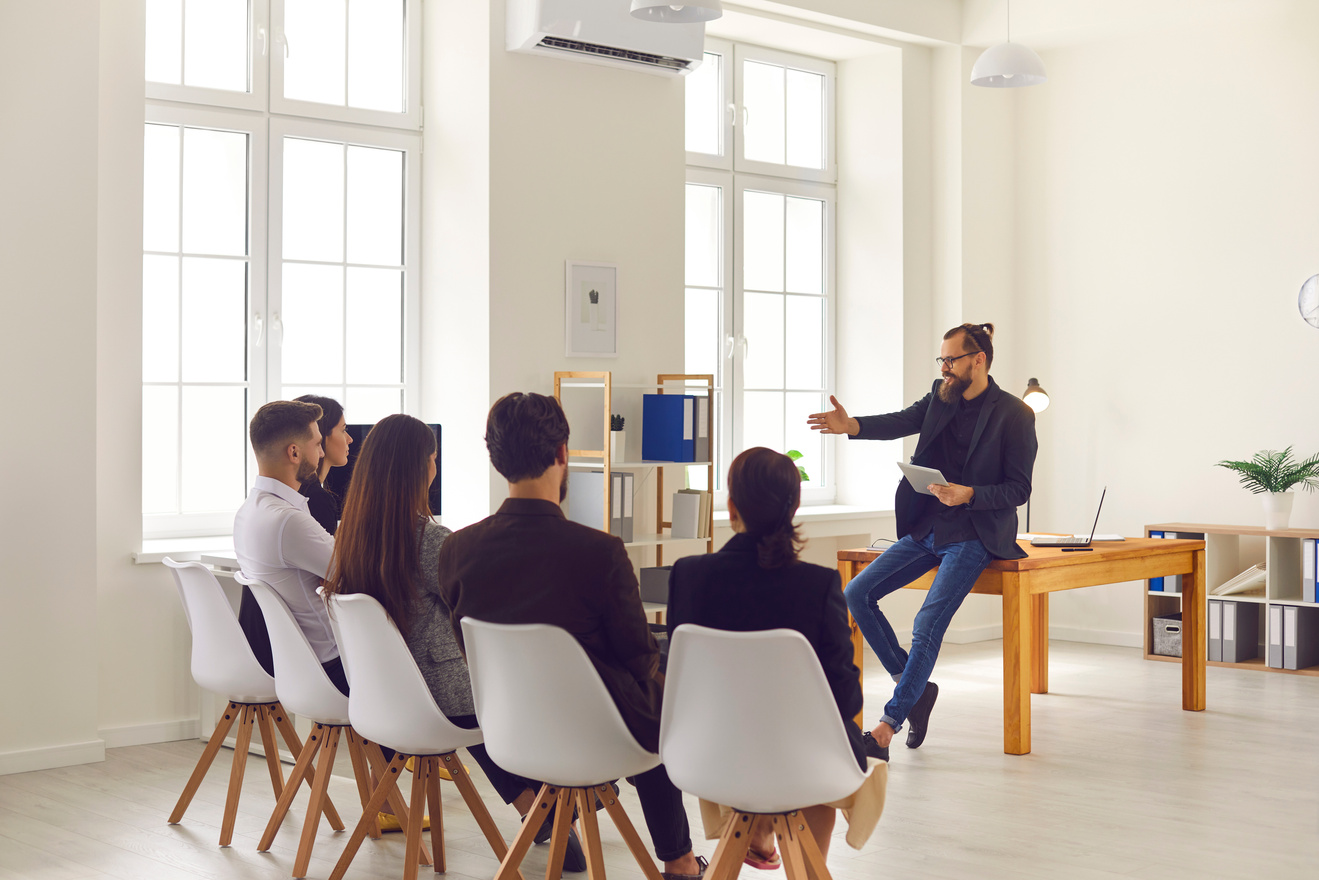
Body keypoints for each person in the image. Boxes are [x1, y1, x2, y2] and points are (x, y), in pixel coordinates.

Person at [438, 392, 707, 880]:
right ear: (562, 453)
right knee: (661, 686)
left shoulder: (456, 550)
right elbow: (638, 657)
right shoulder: (599, 552)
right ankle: (680, 860)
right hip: (600, 737)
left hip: (512, 734)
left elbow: (472, 653)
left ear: (496, 459)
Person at [321, 414, 570, 851]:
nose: (435, 467)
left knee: (491, 698)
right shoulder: (430, 539)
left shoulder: (351, 537)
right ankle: (556, 804)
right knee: (526, 690)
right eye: (433, 458)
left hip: (382, 699)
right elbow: (481, 611)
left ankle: (541, 810)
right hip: (439, 699)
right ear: (420, 468)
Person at [807, 322, 1037, 759]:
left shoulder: (1015, 414)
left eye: (952, 360)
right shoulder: (940, 395)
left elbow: (1019, 489)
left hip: (974, 534)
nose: (944, 367)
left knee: (926, 624)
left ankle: (885, 728)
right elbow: (899, 421)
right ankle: (915, 691)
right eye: (942, 359)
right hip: (927, 526)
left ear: (978, 360)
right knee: (856, 593)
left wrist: (970, 494)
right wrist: (851, 425)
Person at [667, 447, 883, 865]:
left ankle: (759, 827)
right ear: (795, 507)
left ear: (732, 507)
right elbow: (846, 700)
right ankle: (799, 861)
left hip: (709, 756)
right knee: (820, 755)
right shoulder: (818, 585)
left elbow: (680, 681)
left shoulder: (688, 576)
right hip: (800, 764)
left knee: (773, 746)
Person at [233, 399, 345, 692]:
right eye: (317, 444)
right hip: (331, 670)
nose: (322, 453)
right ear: (294, 452)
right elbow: (356, 572)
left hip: (297, 665)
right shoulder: (288, 521)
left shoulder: (248, 512)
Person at [294, 394, 352, 535]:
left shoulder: (297, 491)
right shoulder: (318, 501)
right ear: (320, 434)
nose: (350, 439)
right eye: (343, 430)